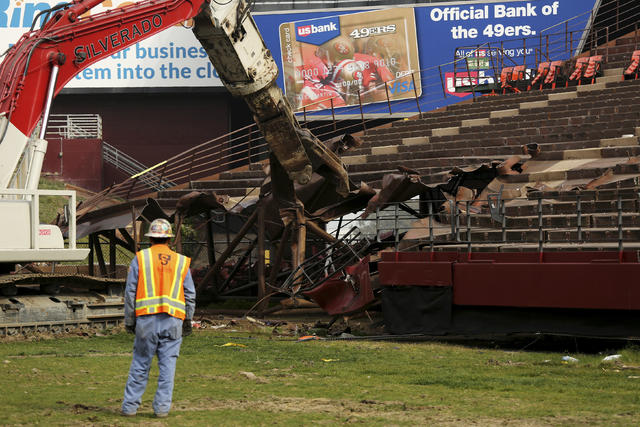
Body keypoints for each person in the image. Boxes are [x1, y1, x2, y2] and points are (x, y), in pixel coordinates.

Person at [121, 218, 196, 418]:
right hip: (173, 321)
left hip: (146, 321)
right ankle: (162, 409)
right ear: (169, 239)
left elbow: (130, 292)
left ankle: (129, 408)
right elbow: (189, 294)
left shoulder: (141, 258)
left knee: (140, 364)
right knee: (167, 368)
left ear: (150, 238)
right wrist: (188, 319)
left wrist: (129, 320)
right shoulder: (181, 261)